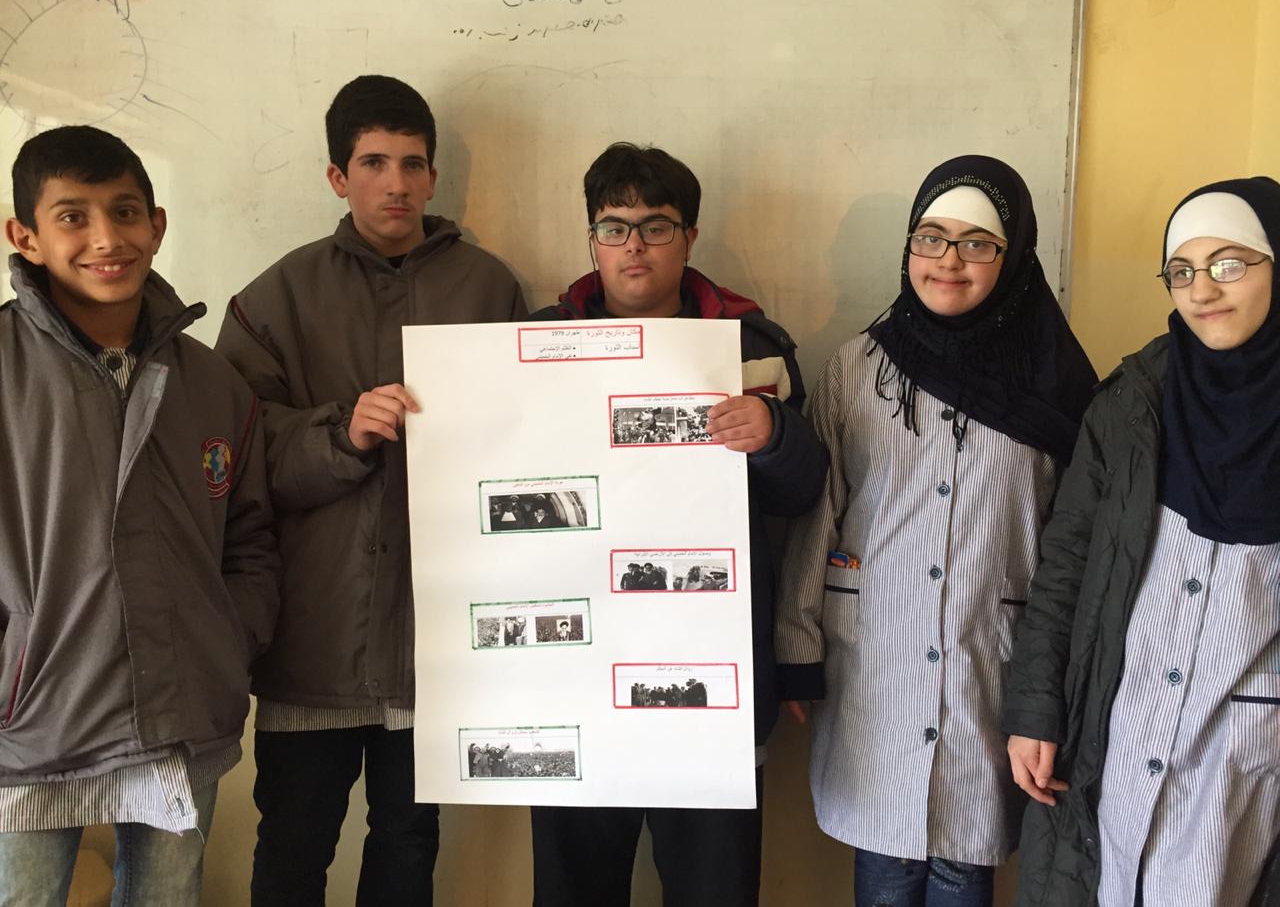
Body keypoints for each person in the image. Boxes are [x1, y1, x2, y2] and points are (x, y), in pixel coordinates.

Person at [215, 74, 527, 907]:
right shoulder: (274, 298)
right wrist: (341, 434)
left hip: (436, 644)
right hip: (313, 641)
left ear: (433, 176)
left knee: (408, 845)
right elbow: (234, 463)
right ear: (337, 176)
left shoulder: (490, 289)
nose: (396, 183)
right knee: (293, 846)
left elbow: (526, 448)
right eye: (374, 163)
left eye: (413, 164)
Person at [776, 155, 1097, 906]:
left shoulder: (1057, 385)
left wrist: (1058, 686)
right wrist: (797, 646)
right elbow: (819, 514)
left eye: (977, 242)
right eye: (931, 237)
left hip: (994, 665)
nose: (948, 260)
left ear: (1013, 256)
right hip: (874, 661)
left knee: (964, 865)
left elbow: (1072, 548)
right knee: (886, 865)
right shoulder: (861, 368)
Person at [527, 142, 829, 907]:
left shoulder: (753, 347)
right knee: (572, 890)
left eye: (656, 226)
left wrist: (775, 436)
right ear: (592, 239)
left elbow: (803, 496)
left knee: (713, 890)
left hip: (710, 682)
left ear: (689, 237)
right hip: (576, 683)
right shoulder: (531, 346)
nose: (634, 245)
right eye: (614, 227)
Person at [0, 125, 279, 906]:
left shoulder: (213, 383)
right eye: (73, 216)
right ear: (24, 236)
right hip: (29, 723)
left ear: (156, 224)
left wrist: (227, 641)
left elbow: (250, 538)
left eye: (124, 212)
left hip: (181, 714)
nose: (106, 238)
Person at [1004, 176, 1280, 907]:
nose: (1202, 290)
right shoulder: (1135, 398)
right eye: (1181, 271)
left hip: (1251, 753)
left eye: (1229, 264)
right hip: (1119, 725)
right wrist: (1035, 709)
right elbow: (1066, 561)